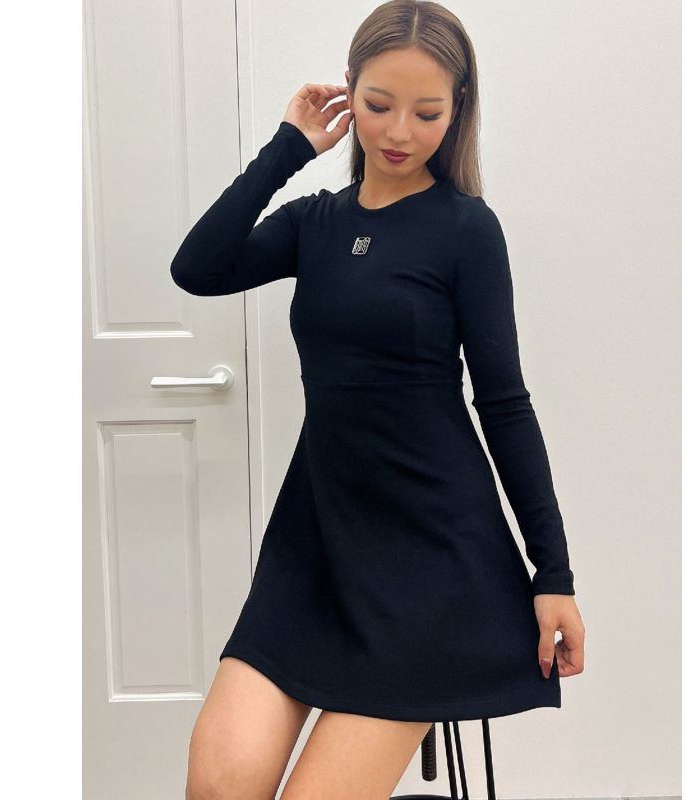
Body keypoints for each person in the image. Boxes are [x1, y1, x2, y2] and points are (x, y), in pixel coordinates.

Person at [173, 2, 586, 799]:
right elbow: (198, 268)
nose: (399, 132)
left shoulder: (466, 230)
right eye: (377, 104)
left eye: (427, 113)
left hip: (431, 558)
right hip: (315, 543)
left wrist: (553, 573)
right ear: (348, 94)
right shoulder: (315, 224)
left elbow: (504, 404)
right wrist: (288, 148)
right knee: (219, 787)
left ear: (457, 110)